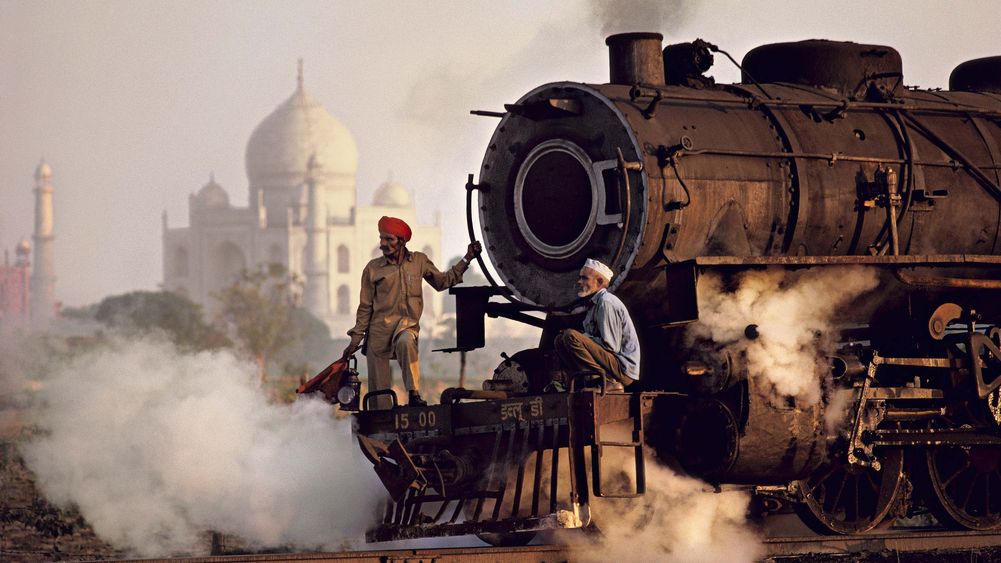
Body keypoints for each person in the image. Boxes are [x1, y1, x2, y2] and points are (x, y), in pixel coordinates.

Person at [342, 216, 482, 408]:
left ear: (401, 241)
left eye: (389, 239)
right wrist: (355, 339)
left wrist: (467, 258)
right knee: (379, 402)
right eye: (382, 238)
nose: (383, 244)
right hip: (378, 334)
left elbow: (442, 282)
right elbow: (365, 306)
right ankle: (381, 430)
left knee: (406, 341)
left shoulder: (419, 261)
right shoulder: (372, 269)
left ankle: (414, 394)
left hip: (405, 326)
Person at [553, 258, 640, 391]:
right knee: (560, 340)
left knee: (570, 336)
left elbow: (611, 346)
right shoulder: (594, 304)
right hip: (612, 363)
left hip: (622, 369)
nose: (579, 282)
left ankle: (610, 382)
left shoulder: (606, 302)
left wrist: (581, 338)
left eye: (584, 278)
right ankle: (589, 381)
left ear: (599, 281)